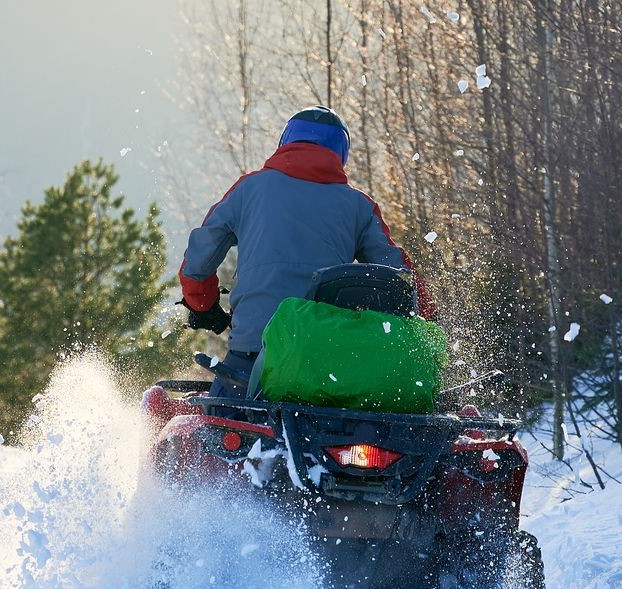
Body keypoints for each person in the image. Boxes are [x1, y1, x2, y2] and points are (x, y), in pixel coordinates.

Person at [179, 105, 434, 403]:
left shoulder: (249, 189)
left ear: (286, 141)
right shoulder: (359, 206)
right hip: (326, 361)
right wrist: (428, 319)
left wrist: (204, 306)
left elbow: (197, 261)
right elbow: (402, 278)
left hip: (252, 355)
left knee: (219, 429)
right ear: (341, 152)